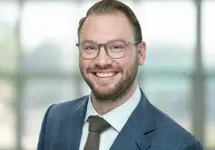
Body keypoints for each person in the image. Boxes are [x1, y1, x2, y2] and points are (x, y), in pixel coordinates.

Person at [37, 0, 203, 150]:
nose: (102, 61)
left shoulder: (180, 145)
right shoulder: (54, 119)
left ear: (141, 53)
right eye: (90, 47)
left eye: (116, 47)